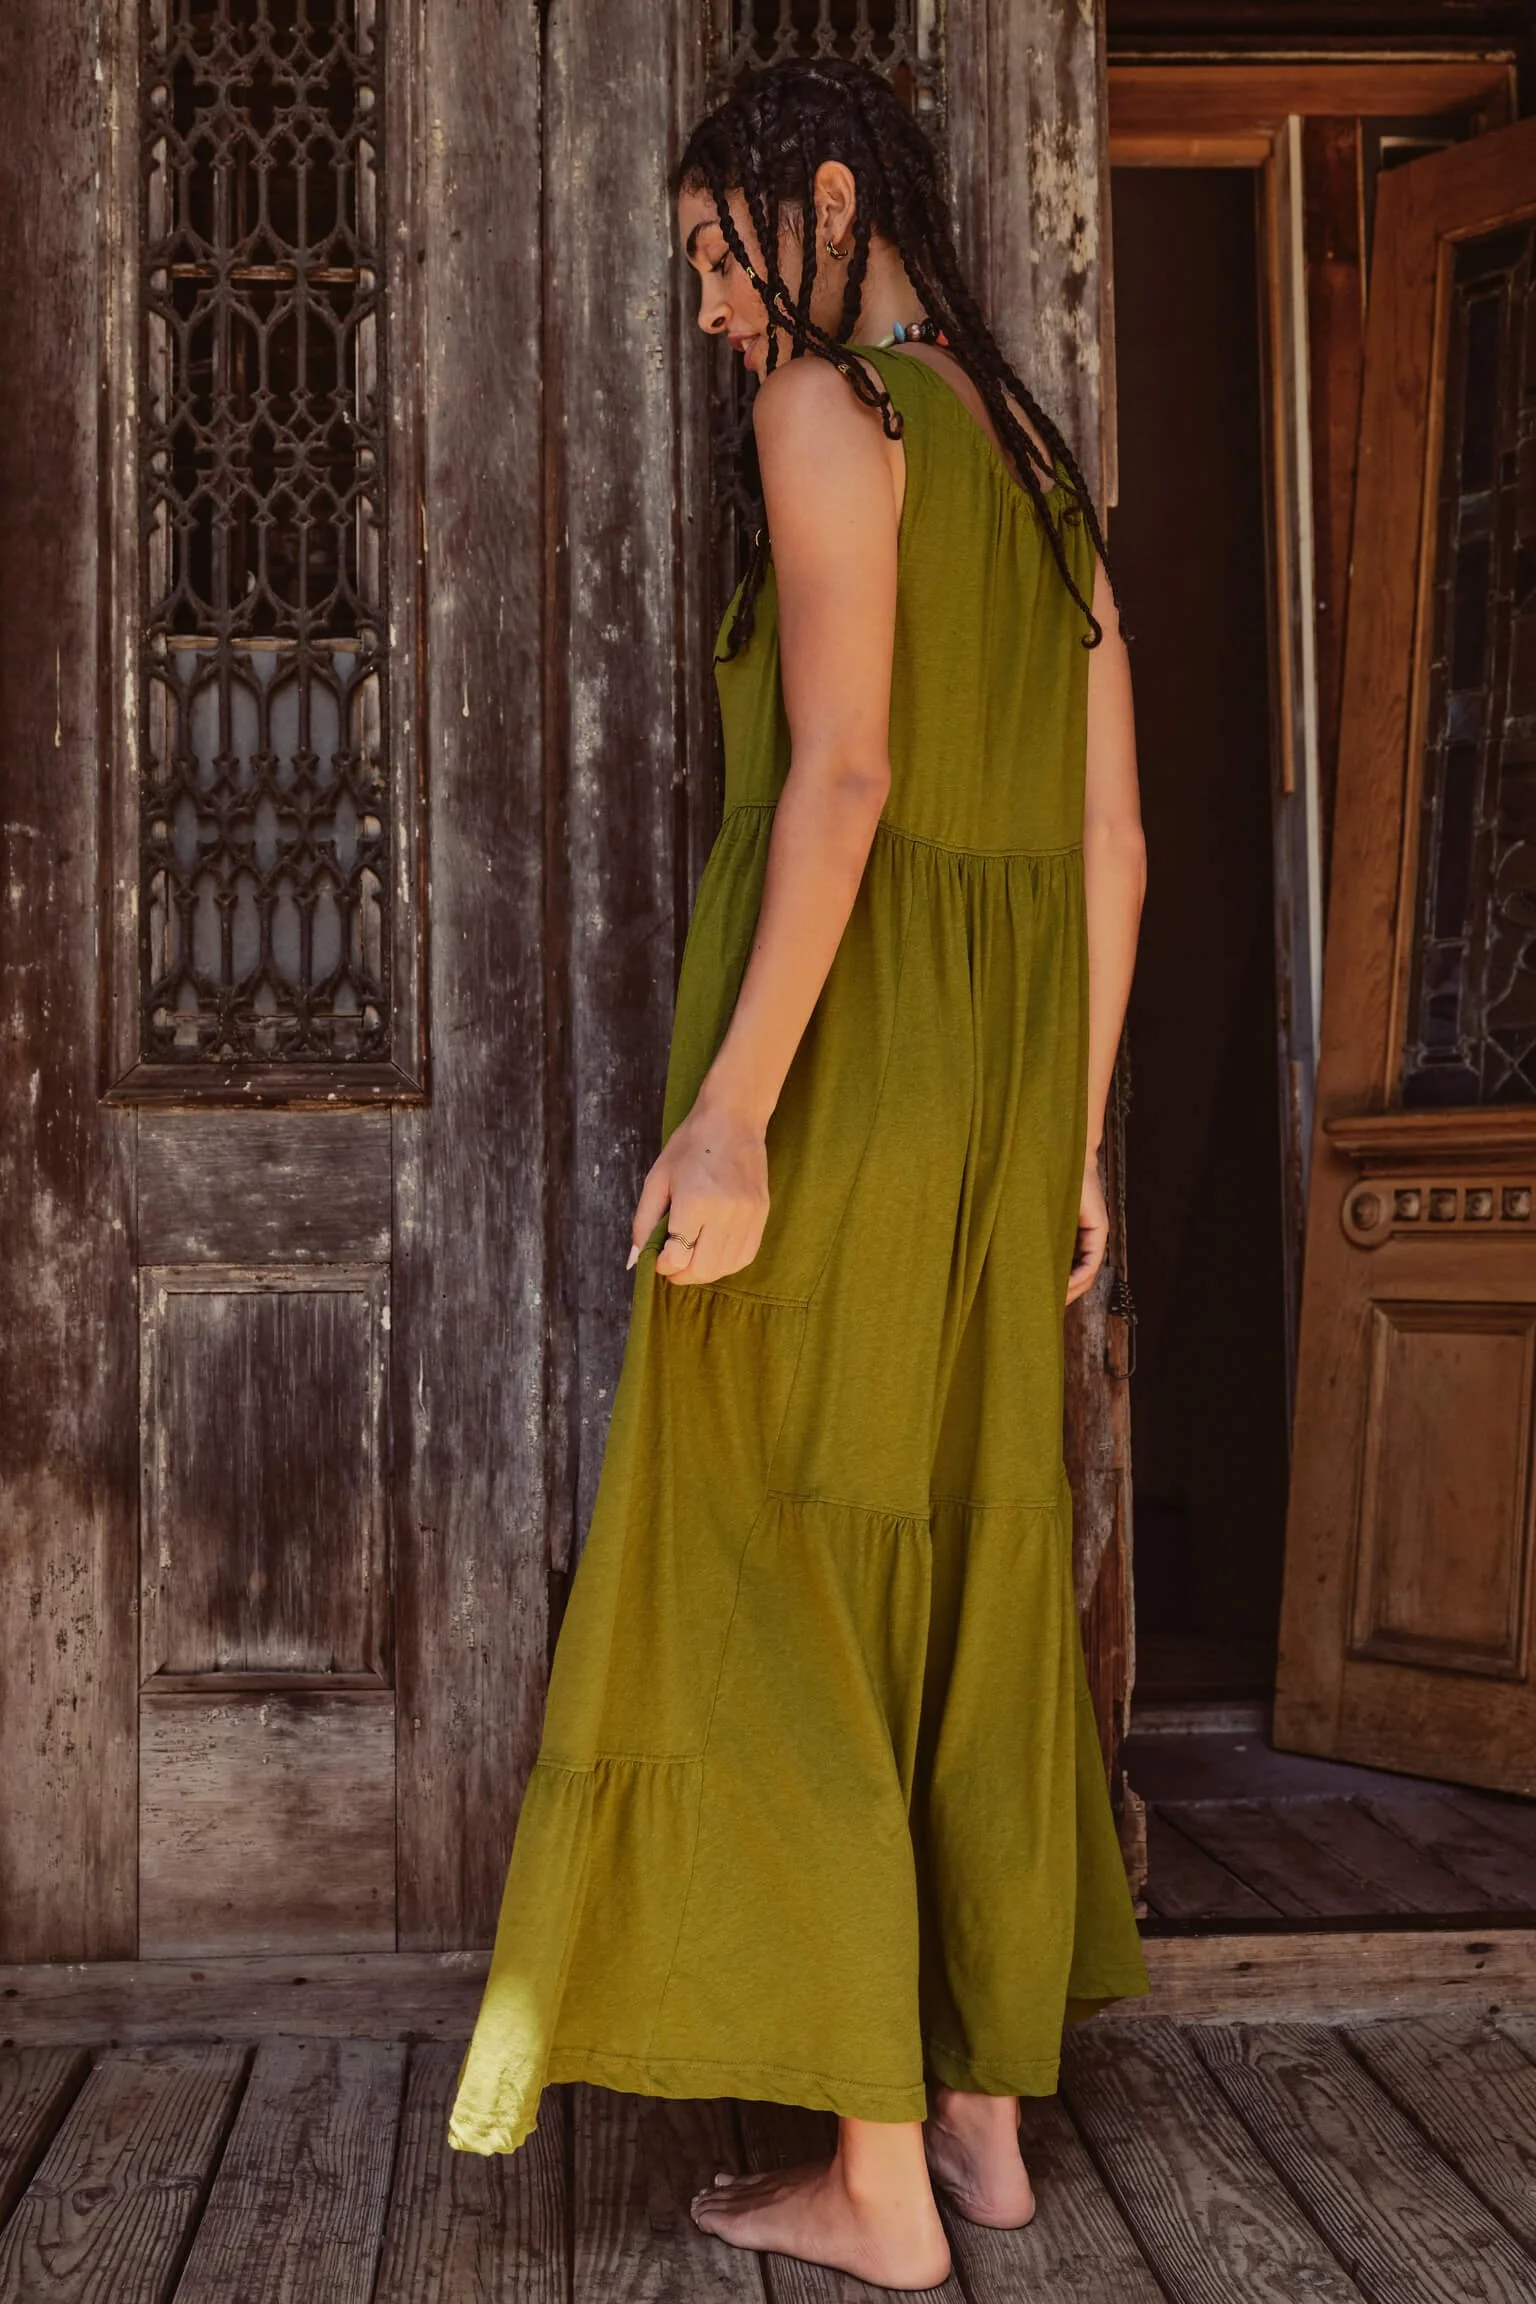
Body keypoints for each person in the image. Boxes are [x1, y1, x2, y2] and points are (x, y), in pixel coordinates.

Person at [449, 56, 1151, 2290]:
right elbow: (1114, 842)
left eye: (709, 250)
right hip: (1001, 1095)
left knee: (776, 1571)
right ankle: (978, 2118)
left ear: (821, 198)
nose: (704, 306)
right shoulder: (1032, 460)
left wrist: (740, 1107)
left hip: (845, 1078)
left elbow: (841, 782)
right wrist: (1080, 1139)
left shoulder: (835, 416)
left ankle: (866, 2181)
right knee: (955, 1554)